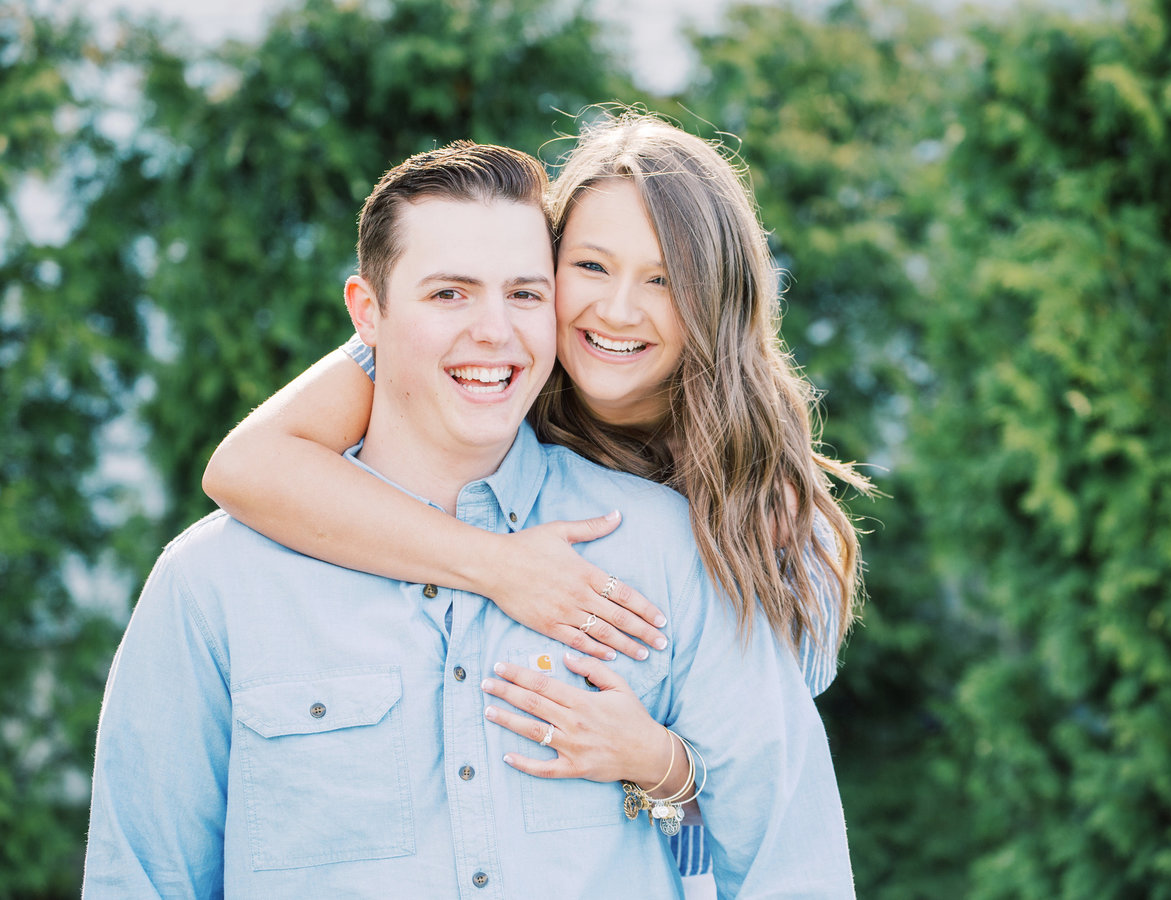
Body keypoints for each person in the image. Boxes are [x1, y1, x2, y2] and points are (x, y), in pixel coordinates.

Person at [83, 140, 854, 897]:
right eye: (588, 267)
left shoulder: (714, 531)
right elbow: (247, 463)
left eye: (663, 279)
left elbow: (787, 843)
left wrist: (663, 763)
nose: (616, 308)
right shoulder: (212, 586)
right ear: (369, 311)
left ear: (713, 306)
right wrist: (496, 563)